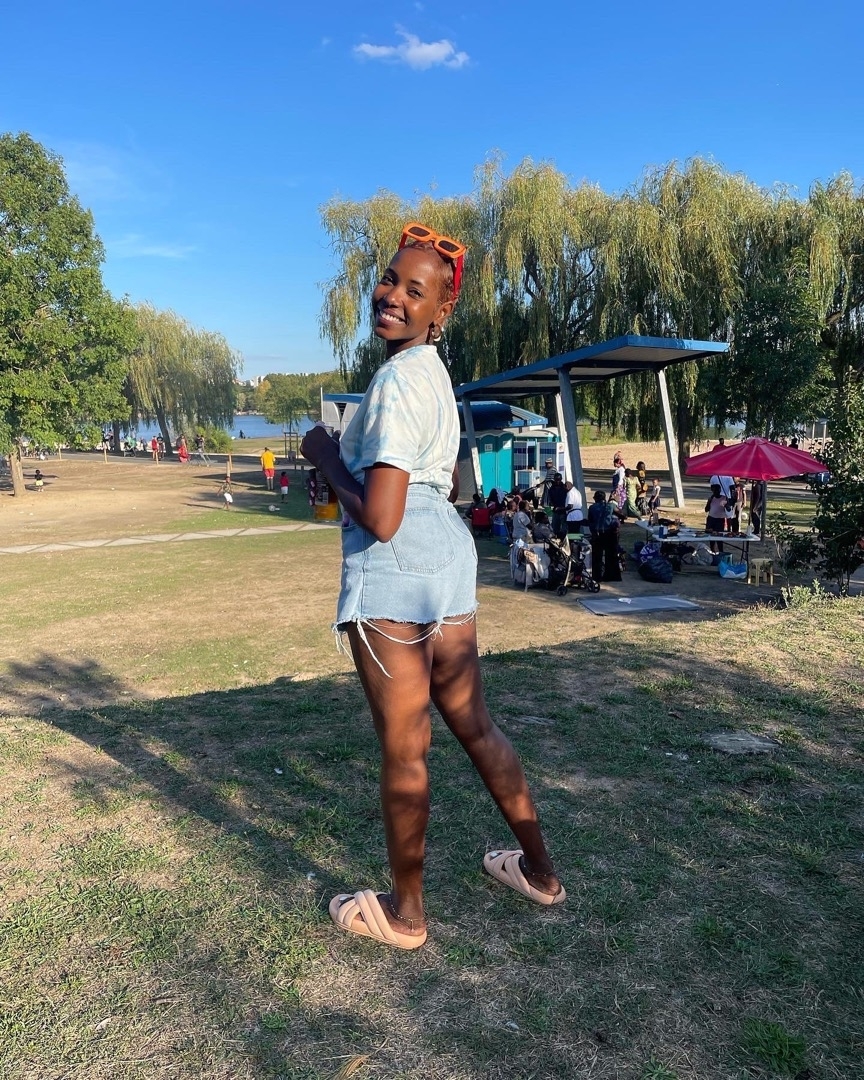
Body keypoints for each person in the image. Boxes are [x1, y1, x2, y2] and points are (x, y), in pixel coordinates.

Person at [299, 223, 563, 950]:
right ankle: (540, 872)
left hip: (396, 566)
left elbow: (382, 517)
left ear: (439, 310)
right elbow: (439, 479)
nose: (391, 295)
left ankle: (406, 914)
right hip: (447, 556)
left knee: (406, 747)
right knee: (474, 724)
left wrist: (326, 454)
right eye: (389, 279)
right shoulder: (435, 373)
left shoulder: (392, 382)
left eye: (414, 290)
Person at [587, 490, 620, 582]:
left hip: (597, 534)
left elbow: (590, 520)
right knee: (611, 555)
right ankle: (611, 576)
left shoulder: (592, 507)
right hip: (610, 533)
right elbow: (621, 514)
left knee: (597, 556)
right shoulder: (610, 506)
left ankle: (596, 576)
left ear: (595, 498)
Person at [705, 483, 728, 553]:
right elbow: (706, 510)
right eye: (714, 491)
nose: (715, 492)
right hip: (711, 519)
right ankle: (713, 552)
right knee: (711, 537)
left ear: (720, 490)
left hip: (719, 520)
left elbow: (728, 509)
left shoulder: (724, 498)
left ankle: (721, 552)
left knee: (719, 537)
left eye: (717, 490)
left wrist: (727, 505)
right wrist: (709, 502)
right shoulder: (711, 498)